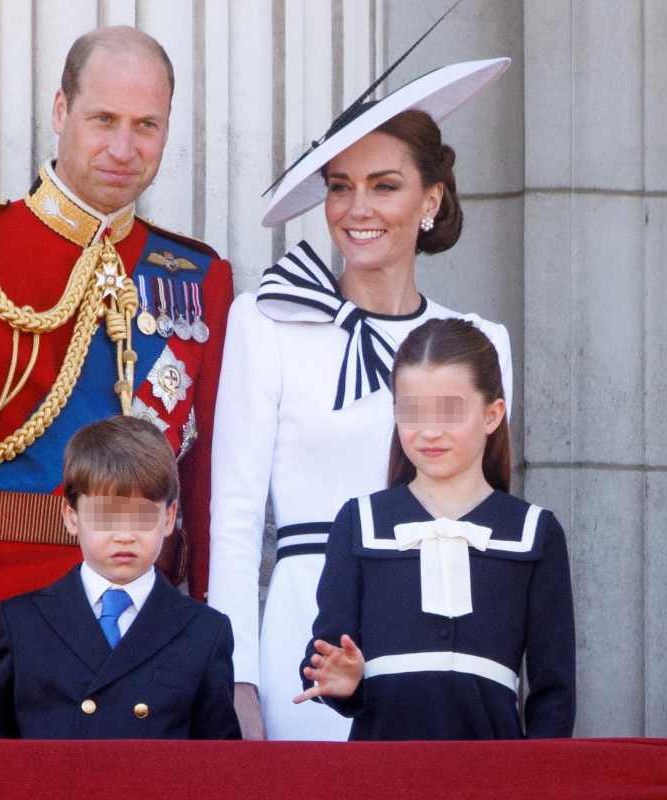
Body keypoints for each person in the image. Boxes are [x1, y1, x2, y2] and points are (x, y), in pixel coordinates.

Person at [0, 25, 233, 736]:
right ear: (61, 111)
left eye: (146, 126)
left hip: (145, 637)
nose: (124, 148)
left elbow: (206, 477)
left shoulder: (195, 274)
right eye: (103, 120)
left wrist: (208, 629)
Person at [206, 57, 515, 740]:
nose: (358, 209)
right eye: (340, 187)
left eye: (385, 185)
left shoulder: (481, 343)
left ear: (431, 199)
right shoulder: (266, 322)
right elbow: (232, 520)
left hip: (442, 638)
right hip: (306, 635)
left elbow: (490, 529)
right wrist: (238, 681)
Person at [295, 318, 575, 739]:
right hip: (379, 771)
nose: (429, 431)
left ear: (492, 414)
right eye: (412, 411)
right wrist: (341, 681)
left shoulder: (536, 532)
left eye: (449, 411)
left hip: (494, 774)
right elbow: (326, 657)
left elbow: (553, 693)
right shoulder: (359, 521)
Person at [0, 416, 240, 739]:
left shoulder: (204, 631)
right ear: (71, 517)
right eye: (106, 516)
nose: (124, 535)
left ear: (169, 517)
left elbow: (220, 764)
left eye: (142, 516)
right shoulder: (22, 623)